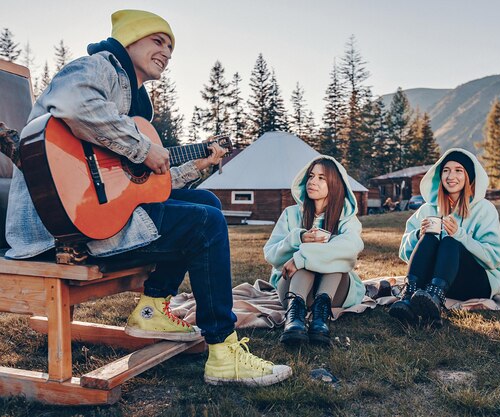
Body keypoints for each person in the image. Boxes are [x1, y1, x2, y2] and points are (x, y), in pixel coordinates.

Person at [5, 9, 291, 386]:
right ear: (129, 41)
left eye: (171, 46)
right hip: (59, 227)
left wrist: (196, 165)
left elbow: (144, 186)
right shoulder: (100, 66)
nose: (166, 52)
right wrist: (142, 149)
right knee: (205, 225)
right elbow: (74, 103)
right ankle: (223, 351)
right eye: (158, 41)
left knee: (207, 205)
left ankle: (154, 305)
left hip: (97, 217)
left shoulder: (132, 105)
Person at [389, 148, 500, 326]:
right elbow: (404, 254)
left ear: (469, 176)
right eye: (446, 170)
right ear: (440, 175)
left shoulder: (484, 209)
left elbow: (494, 258)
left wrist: (461, 236)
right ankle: (408, 296)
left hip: (476, 282)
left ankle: (435, 298)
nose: (451, 176)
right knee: (429, 238)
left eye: (459, 170)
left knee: (450, 241)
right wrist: (418, 235)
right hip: (431, 283)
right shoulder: (427, 209)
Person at [264, 156, 365, 346]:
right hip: (294, 290)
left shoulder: (346, 217)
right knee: (309, 256)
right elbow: (271, 255)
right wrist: (298, 240)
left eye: (321, 178)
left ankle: (320, 318)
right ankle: (294, 318)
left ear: (334, 184)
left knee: (334, 259)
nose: (312, 182)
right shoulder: (291, 214)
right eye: (311, 176)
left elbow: (352, 247)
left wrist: (302, 257)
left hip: (333, 292)